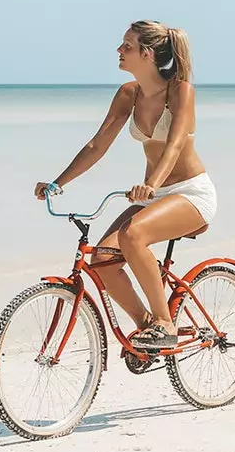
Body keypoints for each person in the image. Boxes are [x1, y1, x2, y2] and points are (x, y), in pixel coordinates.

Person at [34, 19, 217, 350]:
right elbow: (97, 145)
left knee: (133, 235)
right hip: (154, 197)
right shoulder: (128, 94)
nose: (119, 50)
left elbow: (174, 145)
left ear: (146, 54)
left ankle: (165, 323)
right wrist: (57, 184)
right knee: (102, 260)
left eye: (127, 46)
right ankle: (146, 328)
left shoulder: (180, 92)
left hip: (190, 194)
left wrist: (152, 185)